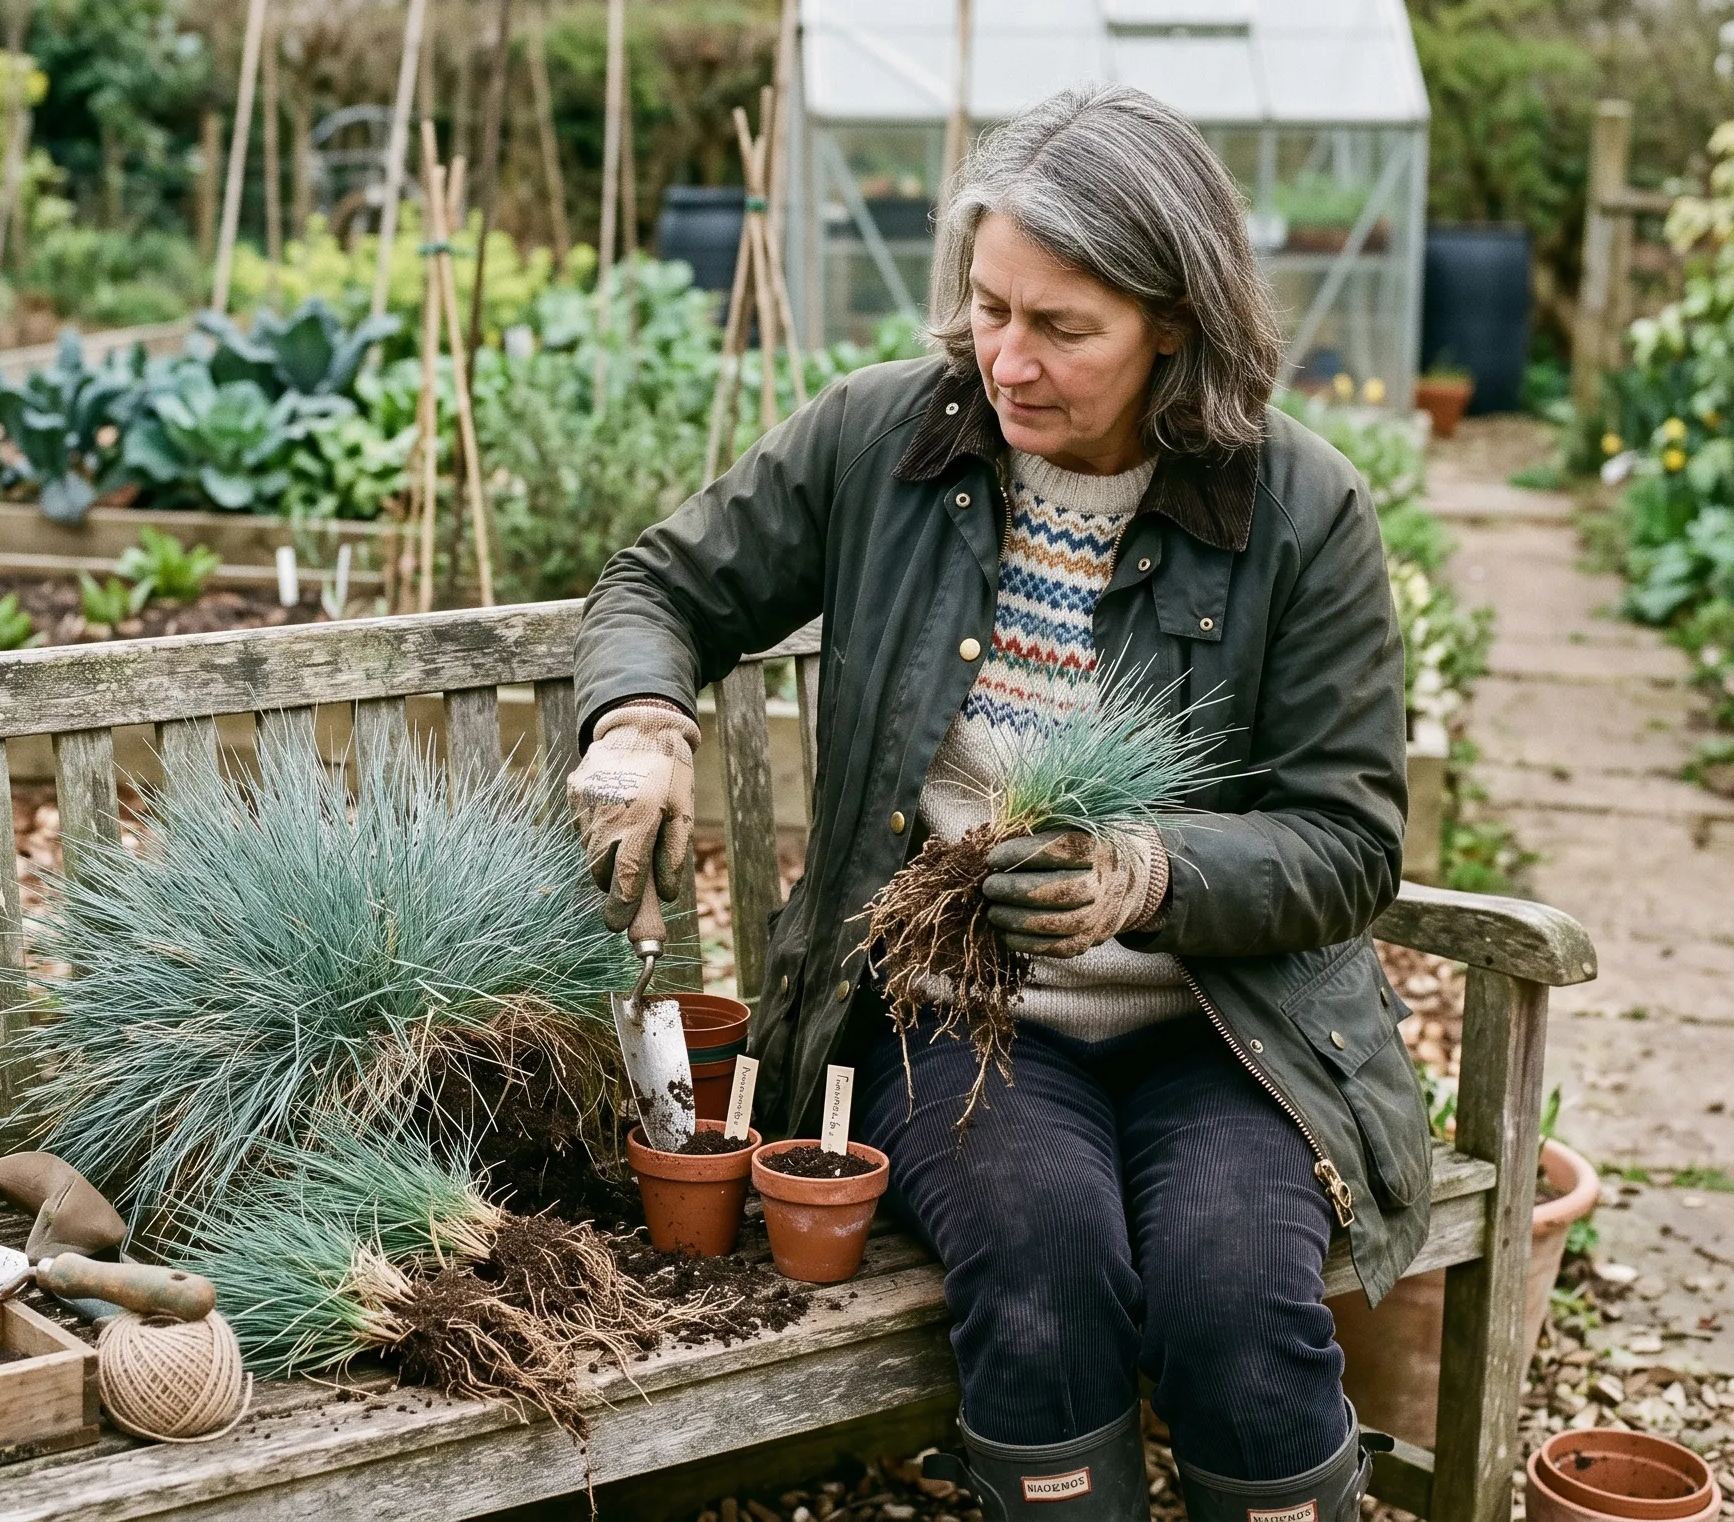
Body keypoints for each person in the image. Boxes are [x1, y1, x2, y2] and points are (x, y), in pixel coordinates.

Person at [564, 86, 1430, 1522]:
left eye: (1062, 328)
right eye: (987, 306)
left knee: (1238, 1303)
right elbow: (659, 584)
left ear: (1176, 324)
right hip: (959, 1021)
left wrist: (1148, 875)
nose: (1006, 361)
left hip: (1229, 1030)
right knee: (1041, 1269)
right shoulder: (885, 440)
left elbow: (1350, 840)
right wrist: (643, 719)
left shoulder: (1302, 511)